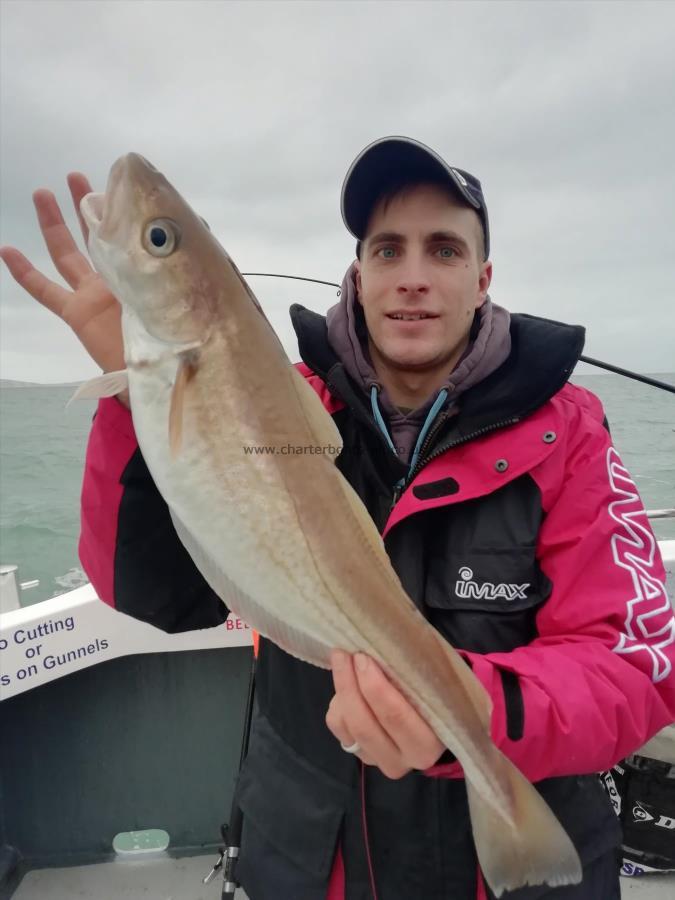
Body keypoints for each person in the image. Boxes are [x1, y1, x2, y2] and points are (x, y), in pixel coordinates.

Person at [2, 135, 674, 900]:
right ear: (358, 274)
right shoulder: (277, 407)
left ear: (482, 279)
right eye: (387, 250)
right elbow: (157, 598)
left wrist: (474, 711)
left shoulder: (569, 435)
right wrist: (135, 400)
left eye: (444, 250)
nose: (412, 278)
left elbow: (633, 668)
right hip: (311, 863)